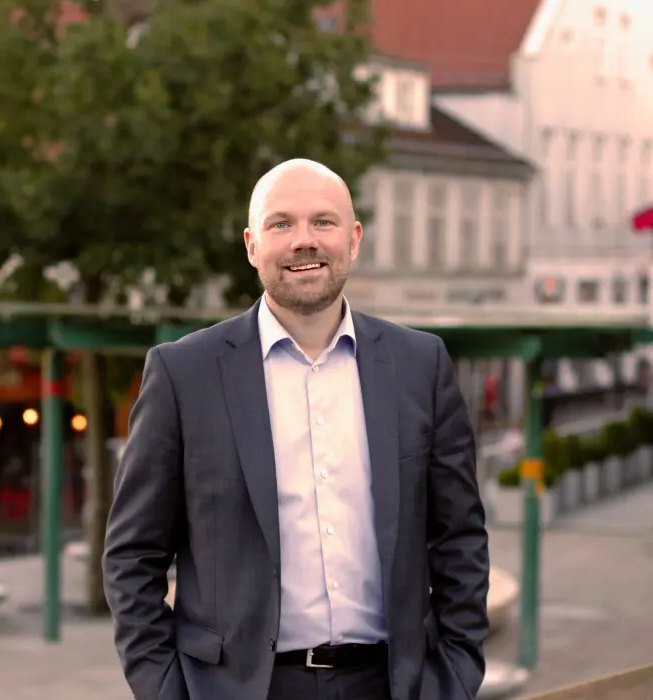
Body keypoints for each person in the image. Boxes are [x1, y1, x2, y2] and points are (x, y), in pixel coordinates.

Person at [103, 158, 490, 700]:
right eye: (281, 223)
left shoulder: (420, 365)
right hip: (237, 689)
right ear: (252, 246)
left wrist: (452, 677)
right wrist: (166, 690)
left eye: (323, 222)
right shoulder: (183, 374)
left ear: (354, 239)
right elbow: (131, 555)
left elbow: (460, 539)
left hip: (390, 684)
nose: (303, 240)